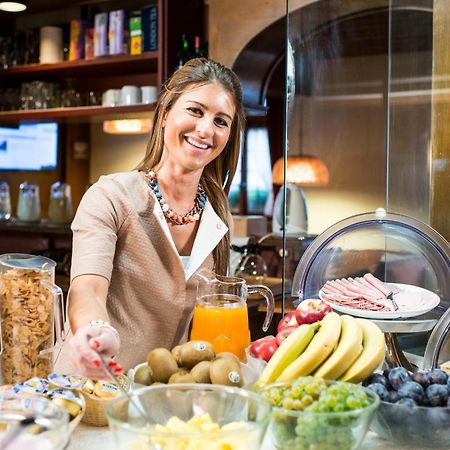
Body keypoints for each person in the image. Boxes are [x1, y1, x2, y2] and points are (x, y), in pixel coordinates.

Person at [56, 58, 245, 379]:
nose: (205, 129)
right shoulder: (110, 195)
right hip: (94, 383)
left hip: (164, 394)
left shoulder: (217, 213)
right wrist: (93, 332)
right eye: (196, 111)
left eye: (221, 121)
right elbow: (86, 288)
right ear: (165, 113)